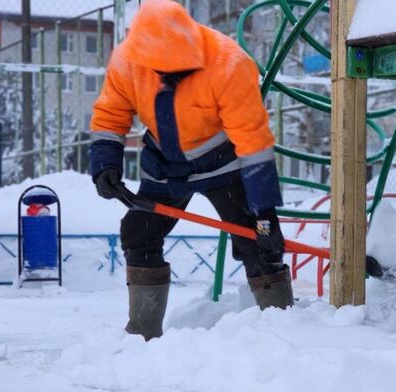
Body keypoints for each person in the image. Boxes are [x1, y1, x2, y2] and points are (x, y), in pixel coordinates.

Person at [89, 0, 293, 341]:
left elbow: (253, 142)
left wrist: (264, 214)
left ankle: (281, 332)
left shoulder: (230, 64)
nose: (168, 77)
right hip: (165, 168)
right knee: (139, 234)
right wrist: (105, 165)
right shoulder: (127, 61)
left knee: (260, 244)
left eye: (177, 71)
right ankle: (142, 334)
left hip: (224, 164)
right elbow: (110, 115)